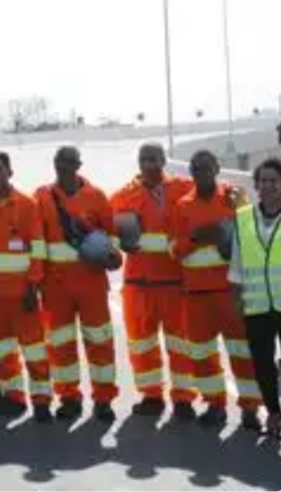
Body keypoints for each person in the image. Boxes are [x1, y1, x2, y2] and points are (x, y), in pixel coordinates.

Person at [169, 149, 261, 428]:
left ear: (217, 168)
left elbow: (251, 238)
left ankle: (250, 409)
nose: (200, 173)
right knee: (202, 354)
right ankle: (215, 405)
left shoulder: (234, 198)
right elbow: (173, 249)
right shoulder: (183, 205)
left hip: (230, 292)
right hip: (196, 295)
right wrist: (197, 236)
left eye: (206, 167)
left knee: (242, 353)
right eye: (195, 168)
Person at [109, 143, 197, 419]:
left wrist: (233, 194)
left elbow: (215, 196)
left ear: (163, 160)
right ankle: (151, 396)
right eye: (143, 159)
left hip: (175, 284)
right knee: (142, 345)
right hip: (139, 284)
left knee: (180, 345)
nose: (148, 164)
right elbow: (110, 234)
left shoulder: (185, 189)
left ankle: (183, 399)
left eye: (154, 159)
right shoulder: (122, 196)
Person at [34, 146, 121, 422]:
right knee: (61, 345)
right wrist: (35, 280)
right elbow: (36, 240)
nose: (63, 167)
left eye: (69, 162)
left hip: (91, 283)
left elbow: (112, 235)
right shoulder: (42, 196)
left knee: (100, 342)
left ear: (79, 165)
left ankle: (104, 399)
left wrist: (114, 255)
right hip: (55, 285)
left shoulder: (96, 196)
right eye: (59, 162)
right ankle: (69, 397)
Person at [0, 151, 53, 422]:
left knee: (35, 349)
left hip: (23, 294)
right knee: (1, 350)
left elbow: (38, 247)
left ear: (10, 172)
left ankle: (42, 401)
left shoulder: (27, 204)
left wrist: (33, 286)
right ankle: (13, 397)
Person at [229, 157, 281, 437]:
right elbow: (237, 262)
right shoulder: (243, 217)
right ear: (256, 186)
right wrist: (236, 299)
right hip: (256, 305)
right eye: (263, 181)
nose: (268, 186)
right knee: (262, 364)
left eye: (274, 180)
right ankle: (274, 413)